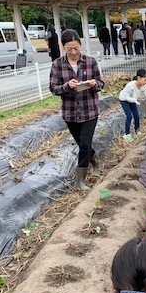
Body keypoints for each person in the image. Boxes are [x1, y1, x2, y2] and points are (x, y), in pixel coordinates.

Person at [49, 29, 104, 191]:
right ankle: (95, 160)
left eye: (76, 48)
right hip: (70, 113)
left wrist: (95, 84)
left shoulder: (90, 62)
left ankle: (81, 180)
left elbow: (101, 83)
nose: (73, 52)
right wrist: (67, 86)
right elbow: (53, 88)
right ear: (63, 47)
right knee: (82, 144)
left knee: (85, 145)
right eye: (69, 49)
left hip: (89, 111)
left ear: (80, 46)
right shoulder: (57, 65)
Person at [118, 68, 146, 142]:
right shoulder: (130, 85)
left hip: (133, 101)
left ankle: (137, 131)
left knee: (136, 116)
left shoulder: (144, 87)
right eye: (145, 80)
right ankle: (127, 134)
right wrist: (132, 100)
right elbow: (125, 96)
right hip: (124, 100)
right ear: (138, 78)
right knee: (129, 116)